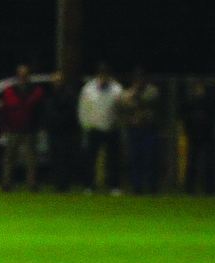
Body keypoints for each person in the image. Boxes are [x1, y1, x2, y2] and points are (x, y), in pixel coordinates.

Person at [79, 62, 125, 194]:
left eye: (105, 72)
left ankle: (115, 186)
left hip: (112, 127)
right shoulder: (88, 88)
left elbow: (121, 109)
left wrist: (120, 123)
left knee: (114, 160)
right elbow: (82, 108)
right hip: (94, 128)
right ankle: (89, 186)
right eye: (101, 72)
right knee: (91, 159)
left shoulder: (117, 88)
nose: (103, 75)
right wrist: (85, 125)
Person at [0, 65, 44, 191]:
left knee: (31, 159)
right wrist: (4, 127)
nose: (23, 76)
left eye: (25, 74)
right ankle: (6, 183)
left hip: (29, 129)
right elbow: (4, 111)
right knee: (9, 158)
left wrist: (38, 126)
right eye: (21, 73)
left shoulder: (35, 90)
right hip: (13, 129)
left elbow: (39, 110)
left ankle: (32, 184)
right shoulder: (9, 90)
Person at [118, 68, 161, 194]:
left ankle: (152, 186)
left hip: (148, 128)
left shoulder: (152, 90)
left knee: (150, 158)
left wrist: (137, 97)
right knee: (135, 158)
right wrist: (135, 97)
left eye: (141, 78)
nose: (139, 81)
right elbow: (124, 104)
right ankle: (137, 186)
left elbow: (150, 100)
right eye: (137, 79)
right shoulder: (128, 92)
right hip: (134, 128)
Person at [41, 71, 82, 192]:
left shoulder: (69, 94)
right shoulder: (50, 94)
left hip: (65, 132)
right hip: (53, 132)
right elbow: (46, 112)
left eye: (58, 80)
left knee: (64, 158)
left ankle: (64, 184)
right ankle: (57, 183)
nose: (55, 83)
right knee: (54, 158)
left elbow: (70, 113)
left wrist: (59, 122)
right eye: (54, 80)